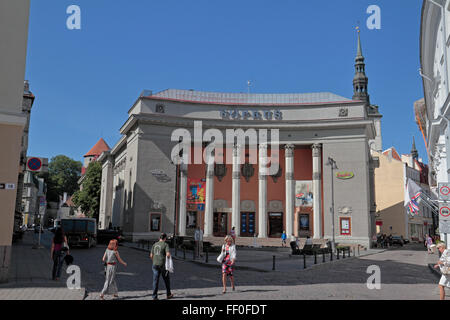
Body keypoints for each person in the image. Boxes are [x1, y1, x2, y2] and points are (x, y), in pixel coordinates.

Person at [150, 233, 173, 300]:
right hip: (162, 265)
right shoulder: (165, 244)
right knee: (166, 280)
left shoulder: (154, 244)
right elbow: (168, 254)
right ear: (165, 238)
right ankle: (168, 294)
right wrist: (168, 260)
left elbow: (151, 255)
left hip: (155, 265)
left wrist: (154, 260)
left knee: (155, 281)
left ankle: (154, 296)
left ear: (159, 238)